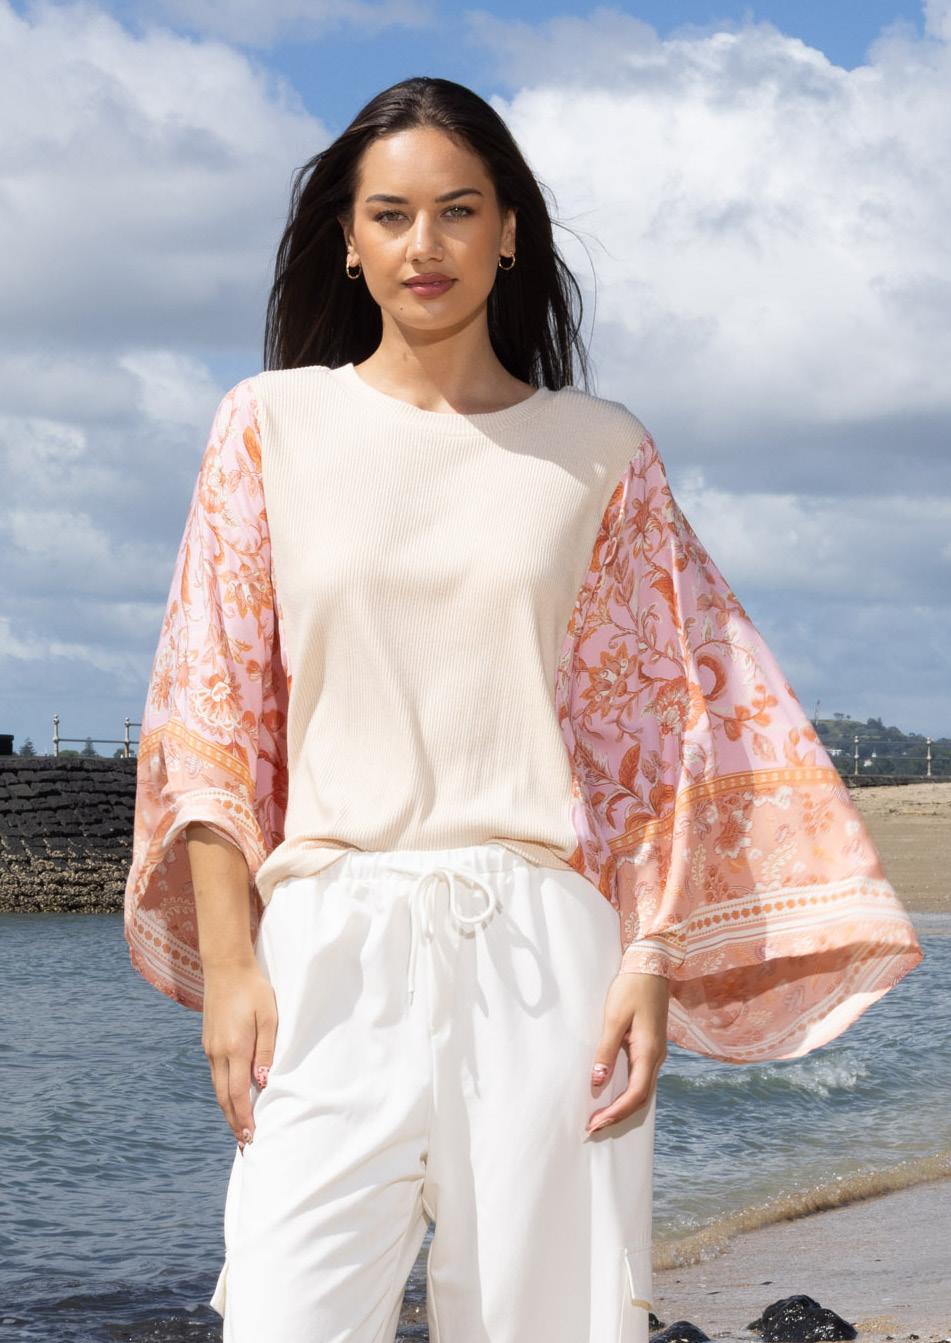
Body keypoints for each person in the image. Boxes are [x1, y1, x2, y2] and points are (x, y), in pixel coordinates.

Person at [123, 75, 924, 1343]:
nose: (424, 244)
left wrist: (649, 960)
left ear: (508, 231)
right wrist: (233, 966)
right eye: (391, 214)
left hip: (546, 954)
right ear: (347, 239)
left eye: (458, 210)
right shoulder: (267, 427)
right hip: (330, 942)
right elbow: (209, 710)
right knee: (283, 1312)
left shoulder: (599, 450)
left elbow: (667, 727)